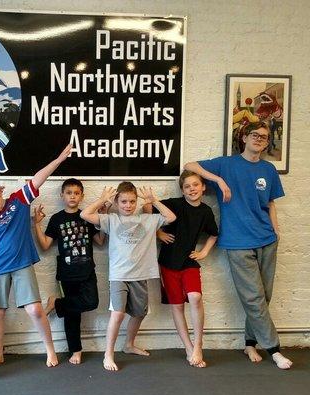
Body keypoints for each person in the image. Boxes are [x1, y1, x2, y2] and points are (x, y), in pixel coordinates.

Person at [184, 121, 293, 369]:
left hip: (266, 239)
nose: (259, 139)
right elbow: (189, 166)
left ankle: (250, 342)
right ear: (244, 138)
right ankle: (274, 349)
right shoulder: (226, 164)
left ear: (267, 143)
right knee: (253, 298)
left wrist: (276, 230)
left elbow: (271, 203)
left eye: (264, 137)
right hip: (238, 241)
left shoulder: (268, 169)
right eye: (255, 135)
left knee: (263, 296)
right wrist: (219, 181)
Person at [0, 144, 72, 370]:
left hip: (21, 264)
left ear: (1, 193)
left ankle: (50, 349)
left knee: (35, 309)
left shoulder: (18, 201)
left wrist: (59, 159)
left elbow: (39, 178)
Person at [81, 182, 176, 371]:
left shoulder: (148, 220)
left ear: (137, 201)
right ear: (116, 202)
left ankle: (129, 344)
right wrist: (101, 199)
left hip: (141, 275)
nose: (128, 205)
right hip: (119, 276)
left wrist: (154, 200)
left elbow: (171, 217)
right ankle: (109, 354)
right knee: (117, 314)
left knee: (139, 313)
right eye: (123, 201)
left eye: (132, 201)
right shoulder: (111, 220)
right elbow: (84, 215)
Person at [144, 171, 218, 368]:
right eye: (187, 186)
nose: (192, 189)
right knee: (177, 305)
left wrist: (203, 253)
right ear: (182, 190)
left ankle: (198, 345)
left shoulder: (206, 211)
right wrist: (158, 232)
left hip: (189, 261)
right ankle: (188, 347)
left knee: (195, 297)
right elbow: (147, 207)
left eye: (195, 185)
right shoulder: (175, 204)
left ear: (203, 187)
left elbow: (213, 235)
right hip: (168, 262)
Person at [33, 178, 105, 365]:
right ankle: (76, 350)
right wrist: (36, 225)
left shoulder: (87, 217)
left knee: (92, 302)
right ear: (62, 195)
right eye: (69, 192)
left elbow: (100, 241)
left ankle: (57, 303)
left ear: (82, 196)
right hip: (67, 273)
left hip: (87, 270)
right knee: (73, 315)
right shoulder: (57, 219)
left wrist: (102, 220)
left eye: (76, 193)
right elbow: (45, 245)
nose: (73, 196)